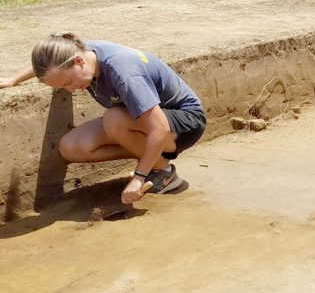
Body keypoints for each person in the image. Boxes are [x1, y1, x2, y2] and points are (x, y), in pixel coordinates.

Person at [0, 33, 205, 204]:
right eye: (63, 87)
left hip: (184, 121)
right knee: (71, 146)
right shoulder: (78, 54)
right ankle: (151, 157)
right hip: (142, 120)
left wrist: (138, 178)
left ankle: (162, 171)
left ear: (79, 61)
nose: (70, 90)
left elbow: (159, 128)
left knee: (114, 119)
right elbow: (49, 63)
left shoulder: (125, 75)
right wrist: (13, 80)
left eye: (69, 82)